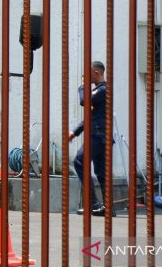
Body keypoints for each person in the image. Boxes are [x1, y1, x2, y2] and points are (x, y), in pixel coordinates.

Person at [69, 60, 108, 214]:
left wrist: (83, 86)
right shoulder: (100, 90)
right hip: (101, 135)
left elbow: (84, 100)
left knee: (80, 160)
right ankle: (107, 207)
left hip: (98, 135)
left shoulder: (103, 90)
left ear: (96, 72)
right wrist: (75, 132)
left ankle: (93, 204)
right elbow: (91, 116)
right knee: (101, 172)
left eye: (88, 72)